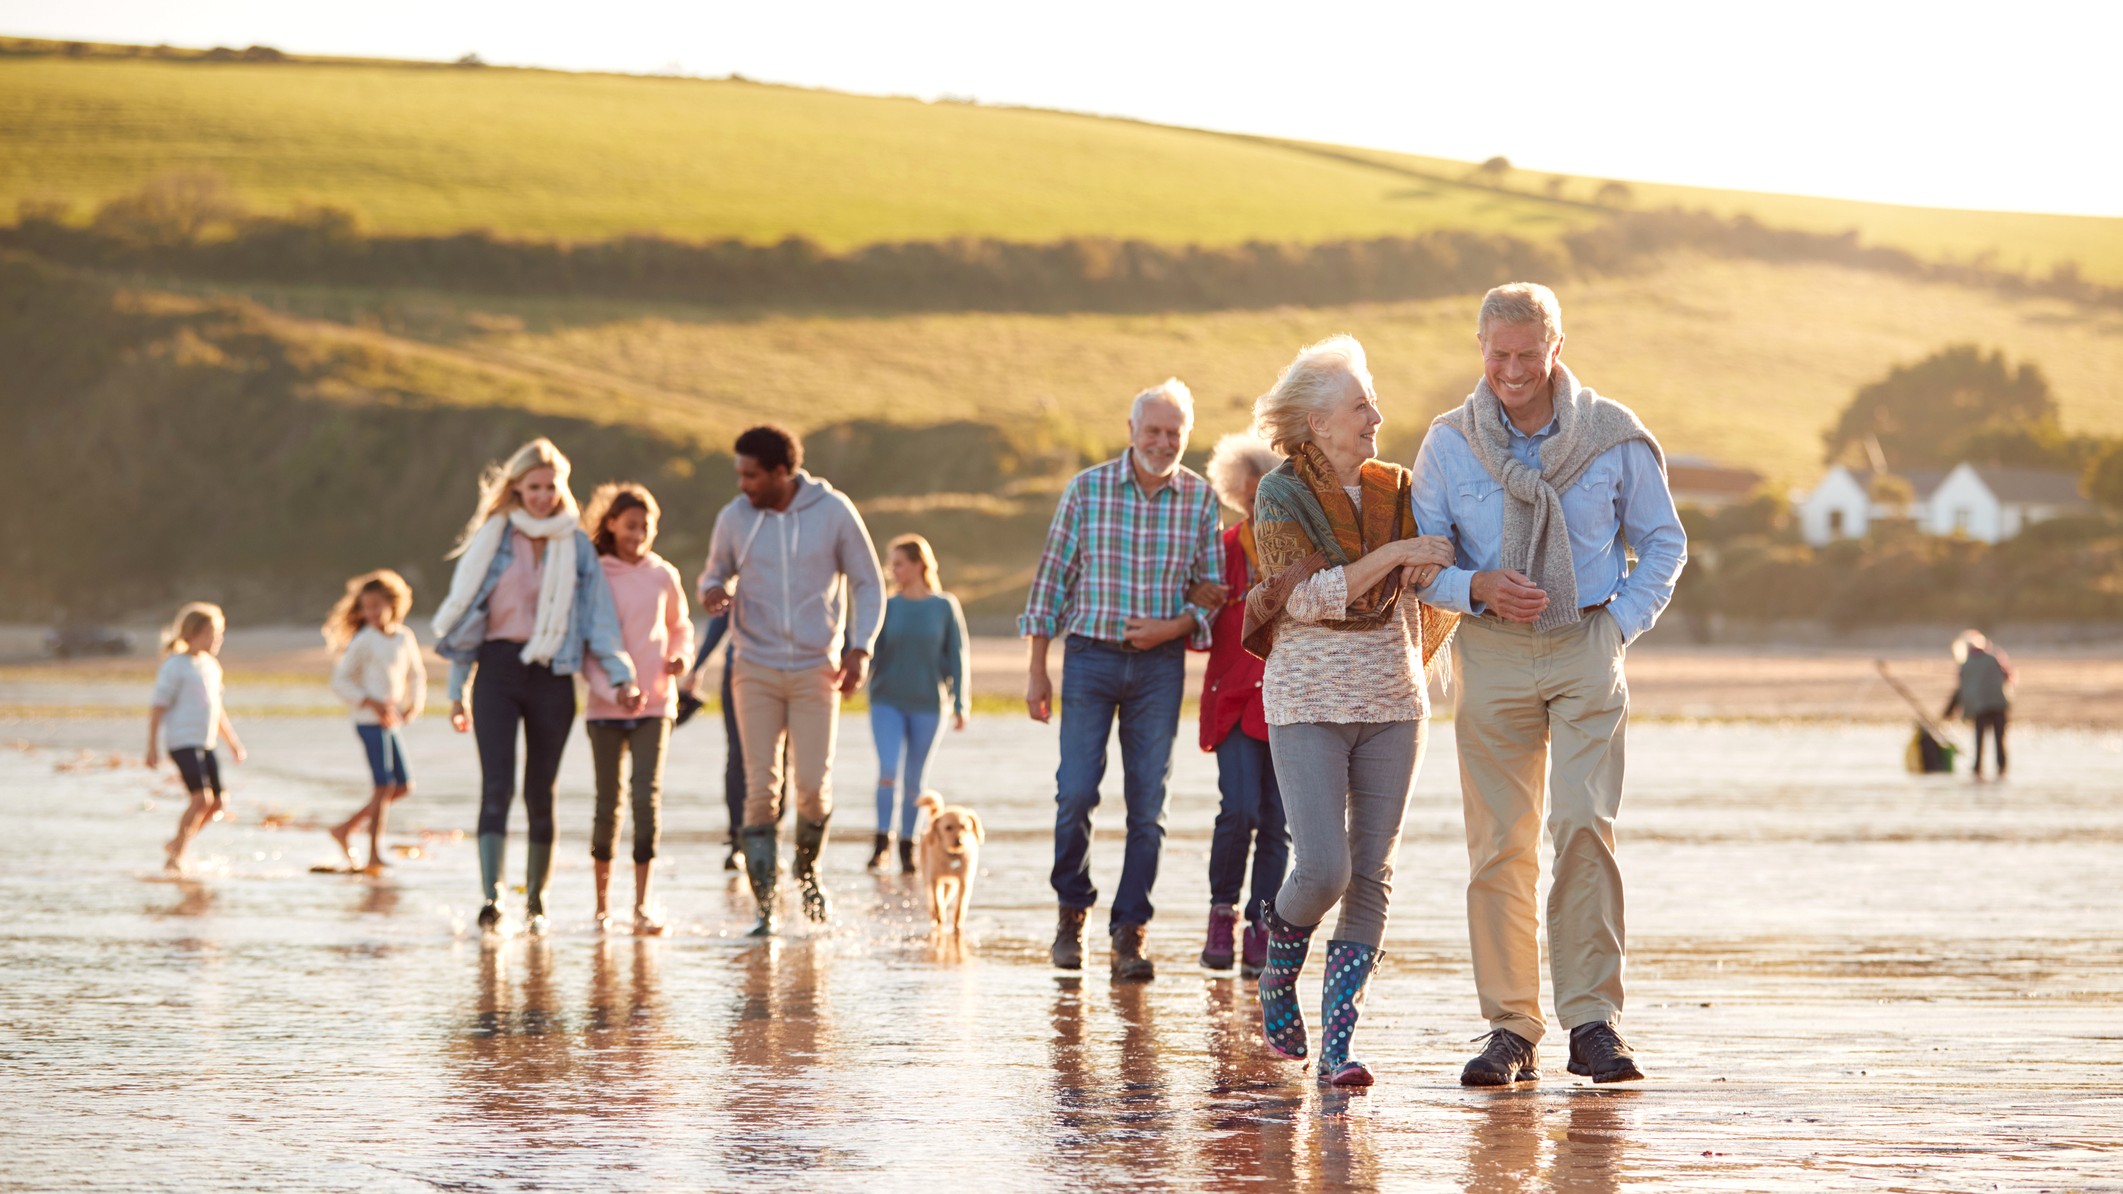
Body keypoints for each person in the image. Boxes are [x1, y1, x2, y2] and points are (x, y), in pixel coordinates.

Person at [1410, 282, 1687, 1086]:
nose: (1511, 370)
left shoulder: (1612, 437)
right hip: (1488, 653)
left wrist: (1616, 624)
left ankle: (1593, 1022)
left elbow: (1662, 543)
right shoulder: (1448, 443)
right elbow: (1424, 561)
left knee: (1582, 824)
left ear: (1555, 348)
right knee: (1498, 846)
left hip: (1583, 645)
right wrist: (1476, 588)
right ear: (1481, 350)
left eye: (1526, 354)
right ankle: (1510, 1029)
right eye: (1497, 355)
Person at [1241, 336, 1459, 1087]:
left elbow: (1434, 567)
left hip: (1395, 702)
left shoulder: (1399, 490)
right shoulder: (1279, 497)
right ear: (1315, 423)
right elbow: (1305, 597)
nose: (1376, 416)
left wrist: (1431, 560)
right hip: (1307, 704)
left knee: (1371, 875)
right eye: (1359, 405)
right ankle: (1276, 968)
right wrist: (1398, 556)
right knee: (1323, 867)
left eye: (1371, 402)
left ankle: (1336, 1050)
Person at [1021, 379, 1226, 982]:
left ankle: (1129, 933)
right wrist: (1037, 671)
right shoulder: (1085, 491)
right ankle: (1071, 912)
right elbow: (1049, 584)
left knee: (1147, 808)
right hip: (1089, 658)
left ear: (1185, 435)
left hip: (1160, 668)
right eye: (1153, 431)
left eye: (1174, 433)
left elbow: (1213, 591)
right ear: (1131, 431)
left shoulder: (1200, 499)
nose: (1163, 442)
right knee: (1076, 792)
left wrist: (1173, 628)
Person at [433, 437, 643, 936]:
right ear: (516, 487)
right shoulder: (494, 538)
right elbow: (468, 620)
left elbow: (598, 618)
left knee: (540, 791)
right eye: (534, 487)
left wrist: (621, 675)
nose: (544, 496)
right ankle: (491, 899)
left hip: (552, 673)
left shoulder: (573, 544)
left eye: (552, 487)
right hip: (498, 670)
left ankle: (537, 904)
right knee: (497, 785)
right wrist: (457, 690)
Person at [699, 425, 886, 936]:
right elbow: (713, 572)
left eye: (751, 475)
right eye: (740, 474)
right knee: (759, 788)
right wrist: (713, 591)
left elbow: (869, 584)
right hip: (753, 666)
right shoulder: (734, 518)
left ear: (782, 473)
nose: (742, 484)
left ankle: (807, 875)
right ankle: (765, 909)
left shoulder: (833, 512)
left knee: (811, 787)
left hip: (815, 667)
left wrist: (860, 646)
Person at [580, 482, 696, 935]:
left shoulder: (662, 574)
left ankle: (642, 906)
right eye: (630, 526)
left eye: (646, 527)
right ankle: (601, 909)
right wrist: (612, 691)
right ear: (611, 524)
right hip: (604, 708)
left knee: (646, 801)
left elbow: (681, 627)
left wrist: (681, 659)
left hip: (657, 704)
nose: (638, 534)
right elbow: (587, 648)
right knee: (608, 804)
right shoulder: (595, 573)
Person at [1193, 432, 1289, 976]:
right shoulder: (1223, 550)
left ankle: (1264, 926)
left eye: (1268, 495)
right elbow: (1195, 633)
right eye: (1250, 497)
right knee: (1240, 810)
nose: (1260, 506)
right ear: (1237, 496)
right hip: (1231, 700)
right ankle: (1220, 914)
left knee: (1277, 822)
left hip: (1290, 702)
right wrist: (1199, 605)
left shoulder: (1300, 550)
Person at [865, 534, 970, 874]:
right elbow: (870, 652)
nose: (892, 570)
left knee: (915, 779)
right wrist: (852, 678)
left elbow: (957, 656)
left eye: (898, 563)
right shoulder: (888, 606)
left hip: (929, 704)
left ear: (919, 564)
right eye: (891, 563)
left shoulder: (944, 606)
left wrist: (961, 703)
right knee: (888, 771)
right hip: (886, 700)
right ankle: (882, 841)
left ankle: (908, 847)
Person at [323, 570, 426, 873]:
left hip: (390, 720)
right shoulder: (363, 641)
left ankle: (345, 828)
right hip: (368, 720)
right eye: (366, 607)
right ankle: (373, 853)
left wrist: (413, 706)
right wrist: (370, 701)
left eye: (376, 606)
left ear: (394, 605)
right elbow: (340, 681)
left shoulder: (404, 638)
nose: (371, 613)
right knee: (383, 785)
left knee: (403, 786)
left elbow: (416, 674)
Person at [146, 602, 245, 875]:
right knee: (200, 798)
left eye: (219, 634)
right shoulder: (175, 666)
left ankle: (177, 843)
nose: (218, 639)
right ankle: (175, 856)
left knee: (218, 802)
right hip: (182, 741)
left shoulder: (211, 666)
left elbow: (217, 709)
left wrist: (233, 743)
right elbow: (158, 706)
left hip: (206, 741)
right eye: (212, 633)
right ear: (193, 633)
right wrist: (152, 745)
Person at [1944, 629, 2013, 779]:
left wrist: (1948, 711)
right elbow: (2008, 676)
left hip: (1981, 708)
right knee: (1999, 740)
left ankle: (1977, 769)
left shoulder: (1966, 665)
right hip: (1998, 705)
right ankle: (2002, 770)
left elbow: (1961, 690)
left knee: (1979, 740)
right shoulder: (1995, 658)